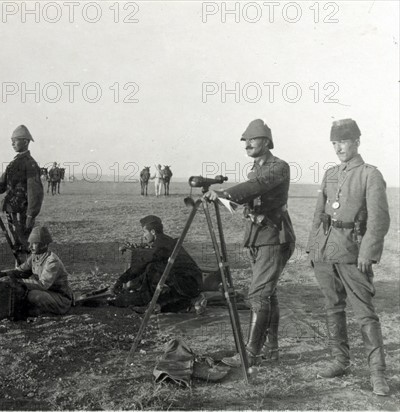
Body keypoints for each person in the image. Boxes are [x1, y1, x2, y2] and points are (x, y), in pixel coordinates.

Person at [306, 119, 390, 396]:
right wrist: (313, 248)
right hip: (326, 253)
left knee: (365, 314)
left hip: (354, 254)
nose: (338, 147)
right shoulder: (330, 174)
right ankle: (340, 361)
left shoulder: (370, 174)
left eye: (342, 141)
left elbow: (378, 220)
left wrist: (368, 253)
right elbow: (320, 214)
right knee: (333, 307)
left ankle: (378, 374)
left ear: (356, 141)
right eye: (334, 143)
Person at [204, 119, 295, 366]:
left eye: (252, 139)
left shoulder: (279, 167)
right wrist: (229, 201)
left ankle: (251, 353)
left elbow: (258, 186)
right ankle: (271, 348)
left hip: (274, 237)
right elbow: (252, 195)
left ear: (266, 141)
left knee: (258, 294)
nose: (247, 144)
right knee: (268, 294)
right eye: (245, 141)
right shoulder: (255, 167)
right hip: (258, 237)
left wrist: (226, 193)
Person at [110, 215, 203, 312]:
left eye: (144, 232)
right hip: (191, 281)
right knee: (153, 267)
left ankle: (146, 300)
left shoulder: (160, 246)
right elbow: (148, 251)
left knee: (152, 268)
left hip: (189, 285)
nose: (143, 236)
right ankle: (144, 295)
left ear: (153, 232)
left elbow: (142, 263)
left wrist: (120, 281)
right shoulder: (164, 240)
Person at [0, 125, 44, 254]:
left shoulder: (30, 164)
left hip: (22, 212)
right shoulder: (14, 163)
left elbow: (35, 193)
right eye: (12, 140)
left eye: (16, 140)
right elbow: (1, 185)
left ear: (26, 141)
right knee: (16, 244)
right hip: (12, 211)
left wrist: (30, 215)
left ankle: (26, 270)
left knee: (24, 244)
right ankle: (20, 268)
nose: (12, 143)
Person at [0, 226, 73, 316]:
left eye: (34, 243)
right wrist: (4, 273)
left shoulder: (52, 261)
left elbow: (43, 285)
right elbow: (20, 271)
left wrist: (19, 281)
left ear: (45, 244)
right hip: (48, 293)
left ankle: (44, 312)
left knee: (33, 295)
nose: (30, 246)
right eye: (30, 243)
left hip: (60, 298)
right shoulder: (35, 257)